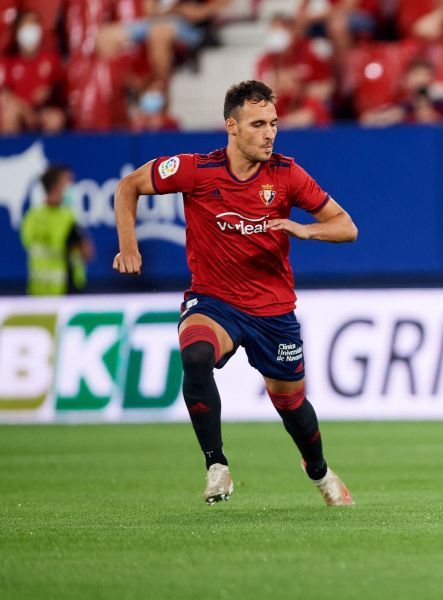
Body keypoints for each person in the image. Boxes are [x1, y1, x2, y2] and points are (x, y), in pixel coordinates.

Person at [112, 80, 358, 506]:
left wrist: (305, 229)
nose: (270, 133)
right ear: (232, 126)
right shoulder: (195, 170)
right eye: (258, 124)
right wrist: (129, 246)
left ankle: (319, 472)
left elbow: (347, 227)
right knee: (195, 355)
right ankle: (217, 465)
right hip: (214, 301)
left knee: (292, 406)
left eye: (274, 123)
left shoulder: (287, 174)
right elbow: (128, 186)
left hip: (272, 310)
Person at [21, 165, 94, 295]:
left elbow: (28, 245)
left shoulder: (31, 217)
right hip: (66, 291)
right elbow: (87, 253)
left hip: (37, 290)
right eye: (68, 182)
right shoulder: (67, 219)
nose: (71, 186)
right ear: (56, 186)